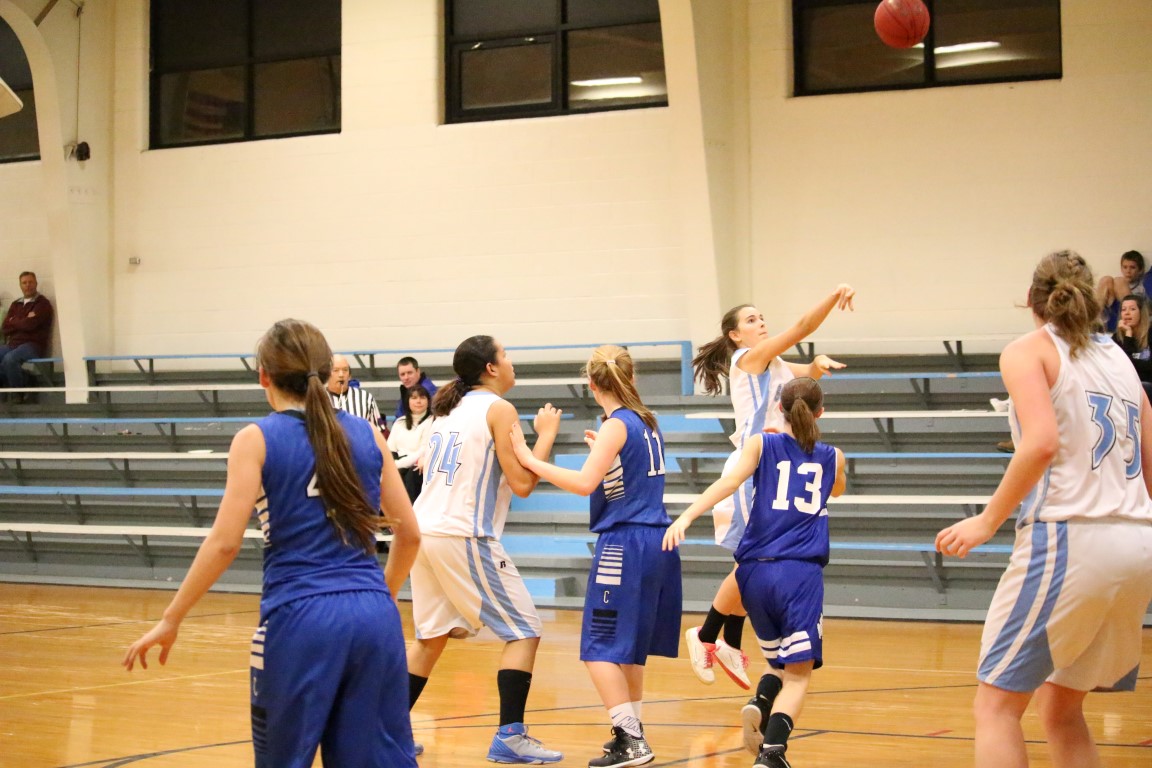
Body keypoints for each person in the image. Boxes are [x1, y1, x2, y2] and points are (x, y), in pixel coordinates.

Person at [122, 319, 422, 768]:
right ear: (326, 372)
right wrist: (383, 593)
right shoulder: (368, 433)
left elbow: (224, 544)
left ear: (264, 375)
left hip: (300, 618)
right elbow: (410, 534)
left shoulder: (256, 439)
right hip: (374, 617)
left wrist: (171, 618)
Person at [936, 250, 1152, 768]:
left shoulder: (1028, 350)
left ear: (1032, 301)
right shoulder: (1119, 358)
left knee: (995, 708)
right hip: (1137, 540)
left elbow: (1040, 443)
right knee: (1060, 708)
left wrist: (986, 520)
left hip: (1072, 536)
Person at [509, 345, 681, 768]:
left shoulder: (615, 425)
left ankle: (631, 739)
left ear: (591, 384)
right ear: (631, 378)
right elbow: (627, 474)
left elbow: (585, 483)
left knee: (599, 647)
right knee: (628, 650)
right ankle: (632, 734)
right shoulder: (647, 421)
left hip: (625, 544)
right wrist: (604, 451)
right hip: (657, 541)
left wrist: (530, 458)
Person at [663, 377, 846, 768]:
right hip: (798, 573)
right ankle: (773, 753)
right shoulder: (833, 456)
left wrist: (687, 515)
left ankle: (760, 703)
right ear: (820, 413)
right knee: (798, 675)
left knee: (778, 663)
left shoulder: (761, 444)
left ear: (779, 408)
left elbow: (729, 482)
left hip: (752, 573)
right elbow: (838, 490)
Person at [683, 285, 855, 691]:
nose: (760, 323)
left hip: (775, 466)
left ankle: (729, 641)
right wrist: (833, 297)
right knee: (753, 562)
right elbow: (802, 326)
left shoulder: (773, 362)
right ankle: (705, 635)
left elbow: (804, 377)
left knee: (758, 564)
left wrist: (816, 365)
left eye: (761, 317)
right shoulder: (748, 359)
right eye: (751, 320)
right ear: (735, 336)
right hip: (754, 466)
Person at [406, 335, 564, 764]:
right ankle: (511, 736)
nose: (511, 362)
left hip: (424, 531)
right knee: (525, 631)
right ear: (491, 368)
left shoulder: (446, 409)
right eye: (505, 355)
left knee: (430, 638)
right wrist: (546, 435)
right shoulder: (499, 409)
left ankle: (386, 731)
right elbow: (523, 484)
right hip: (462, 533)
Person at [0, 271, 54, 402]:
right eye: (24, 283)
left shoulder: (43, 304)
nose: (27, 285)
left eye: (30, 282)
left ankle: (18, 393)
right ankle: (25, 379)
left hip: (33, 345)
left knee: (10, 359)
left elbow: (30, 325)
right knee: (5, 355)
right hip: (13, 344)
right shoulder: (15, 304)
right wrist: (24, 320)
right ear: (20, 285)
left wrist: (14, 320)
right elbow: (5, 328)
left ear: (36, 283)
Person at [388, 383, 434, 502]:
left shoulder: (433, 421)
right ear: (407, 401)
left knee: (412, 475)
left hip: (418, 463)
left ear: (428, 401)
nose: (418, 401)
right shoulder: (399, 422)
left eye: (422, 397)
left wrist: (398, 465)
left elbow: (423, 450)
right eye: (414, 398)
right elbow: (390, 449)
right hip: (398, 462)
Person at [327, 353, 388, 437]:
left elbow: (378, 430)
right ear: (327, 374)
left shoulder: (366, 398)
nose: (341, 375)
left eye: (345, 370)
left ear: (349, 376)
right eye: (336, 370)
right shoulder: (317, 399)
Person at [1095, 250, 1149, 331]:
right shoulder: (1113, 283)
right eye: (1125, 267)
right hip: (1110, 317)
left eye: (1132, 267)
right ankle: (1095, 321)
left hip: (1130, 318)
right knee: (1105, 279)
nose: (1128, 271)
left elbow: (1145, 309)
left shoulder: (1141, 286)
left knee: (1119, 281)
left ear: (1140, 270)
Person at [395, 355, 438, 420]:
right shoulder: (407, 389)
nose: (406, 377)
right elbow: (400, 417)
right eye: (402, 374)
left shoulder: (428, 390)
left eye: (409, 373)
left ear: (418, 371)